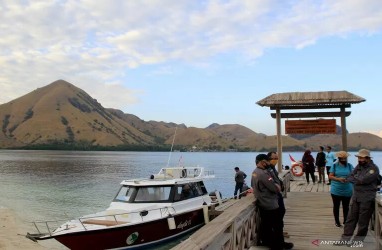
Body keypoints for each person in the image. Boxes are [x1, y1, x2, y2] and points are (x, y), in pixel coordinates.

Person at [251, 154, 293, 250]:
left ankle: (276, 243)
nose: (269, 163)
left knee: (268, 225)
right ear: (262, 162)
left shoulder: (255, 172)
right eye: (267, 161)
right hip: (270, 203)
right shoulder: (263, 174)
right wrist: (277, 184)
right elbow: (276, 188)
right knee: (276, 225)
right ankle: (277, 245)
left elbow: (253, 185)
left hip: (263, 202)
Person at [340, 149, 379, 245]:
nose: (359, 160)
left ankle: (357, 242)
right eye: (359, 158)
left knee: (363, 222)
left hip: (367, 198)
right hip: (356, 197)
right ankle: (345, 240)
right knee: (350, 219)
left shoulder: (373, 169)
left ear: (367, 158)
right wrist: (355, 178)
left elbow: (363, 180)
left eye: (361, 158)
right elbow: (350, 176)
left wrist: (355, 178)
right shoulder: (359, 166)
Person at [328, 151, 353, 227]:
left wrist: (348, 179)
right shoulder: (334, 166)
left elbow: (354, 175)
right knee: (336, 206)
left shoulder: (350, 166)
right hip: (336, 190)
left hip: (347, 190)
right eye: (342, 159)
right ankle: (337, 221)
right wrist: (338, 179)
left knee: (346, 207)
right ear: (339, 158)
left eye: (345, 158)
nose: (343, 160)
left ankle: (346, 221)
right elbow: (330, 176)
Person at [267, 151, 289, 238]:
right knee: (278, 213)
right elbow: (269, 181)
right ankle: (277, 232)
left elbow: (276, 178)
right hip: (273, 195)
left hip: (278, 193)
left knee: (282, 211)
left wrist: (280, 183)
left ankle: (280, 231)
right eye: (274, 158)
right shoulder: (267, 169)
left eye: (277, 158)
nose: (275, 160)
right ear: (268, 159)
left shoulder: (273, 167)